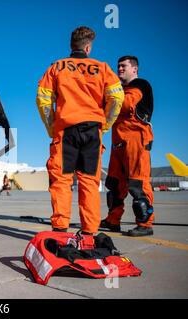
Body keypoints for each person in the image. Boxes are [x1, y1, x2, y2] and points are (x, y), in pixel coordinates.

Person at [36, 26, 124, 236]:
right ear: (87, 47)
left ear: (71, 46)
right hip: (93, 132)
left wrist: (52, 127)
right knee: (89, 182)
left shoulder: (57, 67)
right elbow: (117, 97)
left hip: (66, 131)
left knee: (62, 181)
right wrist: (105, 124)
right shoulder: (101, 68)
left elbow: (43, 99)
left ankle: (60, 231)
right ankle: (88, 234)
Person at [100, 56, 155, 237]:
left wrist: (104, 99)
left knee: (137, 182)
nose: (120, 69)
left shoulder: (140, 85)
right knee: (114, 184)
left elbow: (124, 105)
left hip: (136, 139)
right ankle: (113, 220)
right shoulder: (119, 90)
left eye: (124, 66)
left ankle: (145, 224)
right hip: (118, 142)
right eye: (118, 66)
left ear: (135, 69)